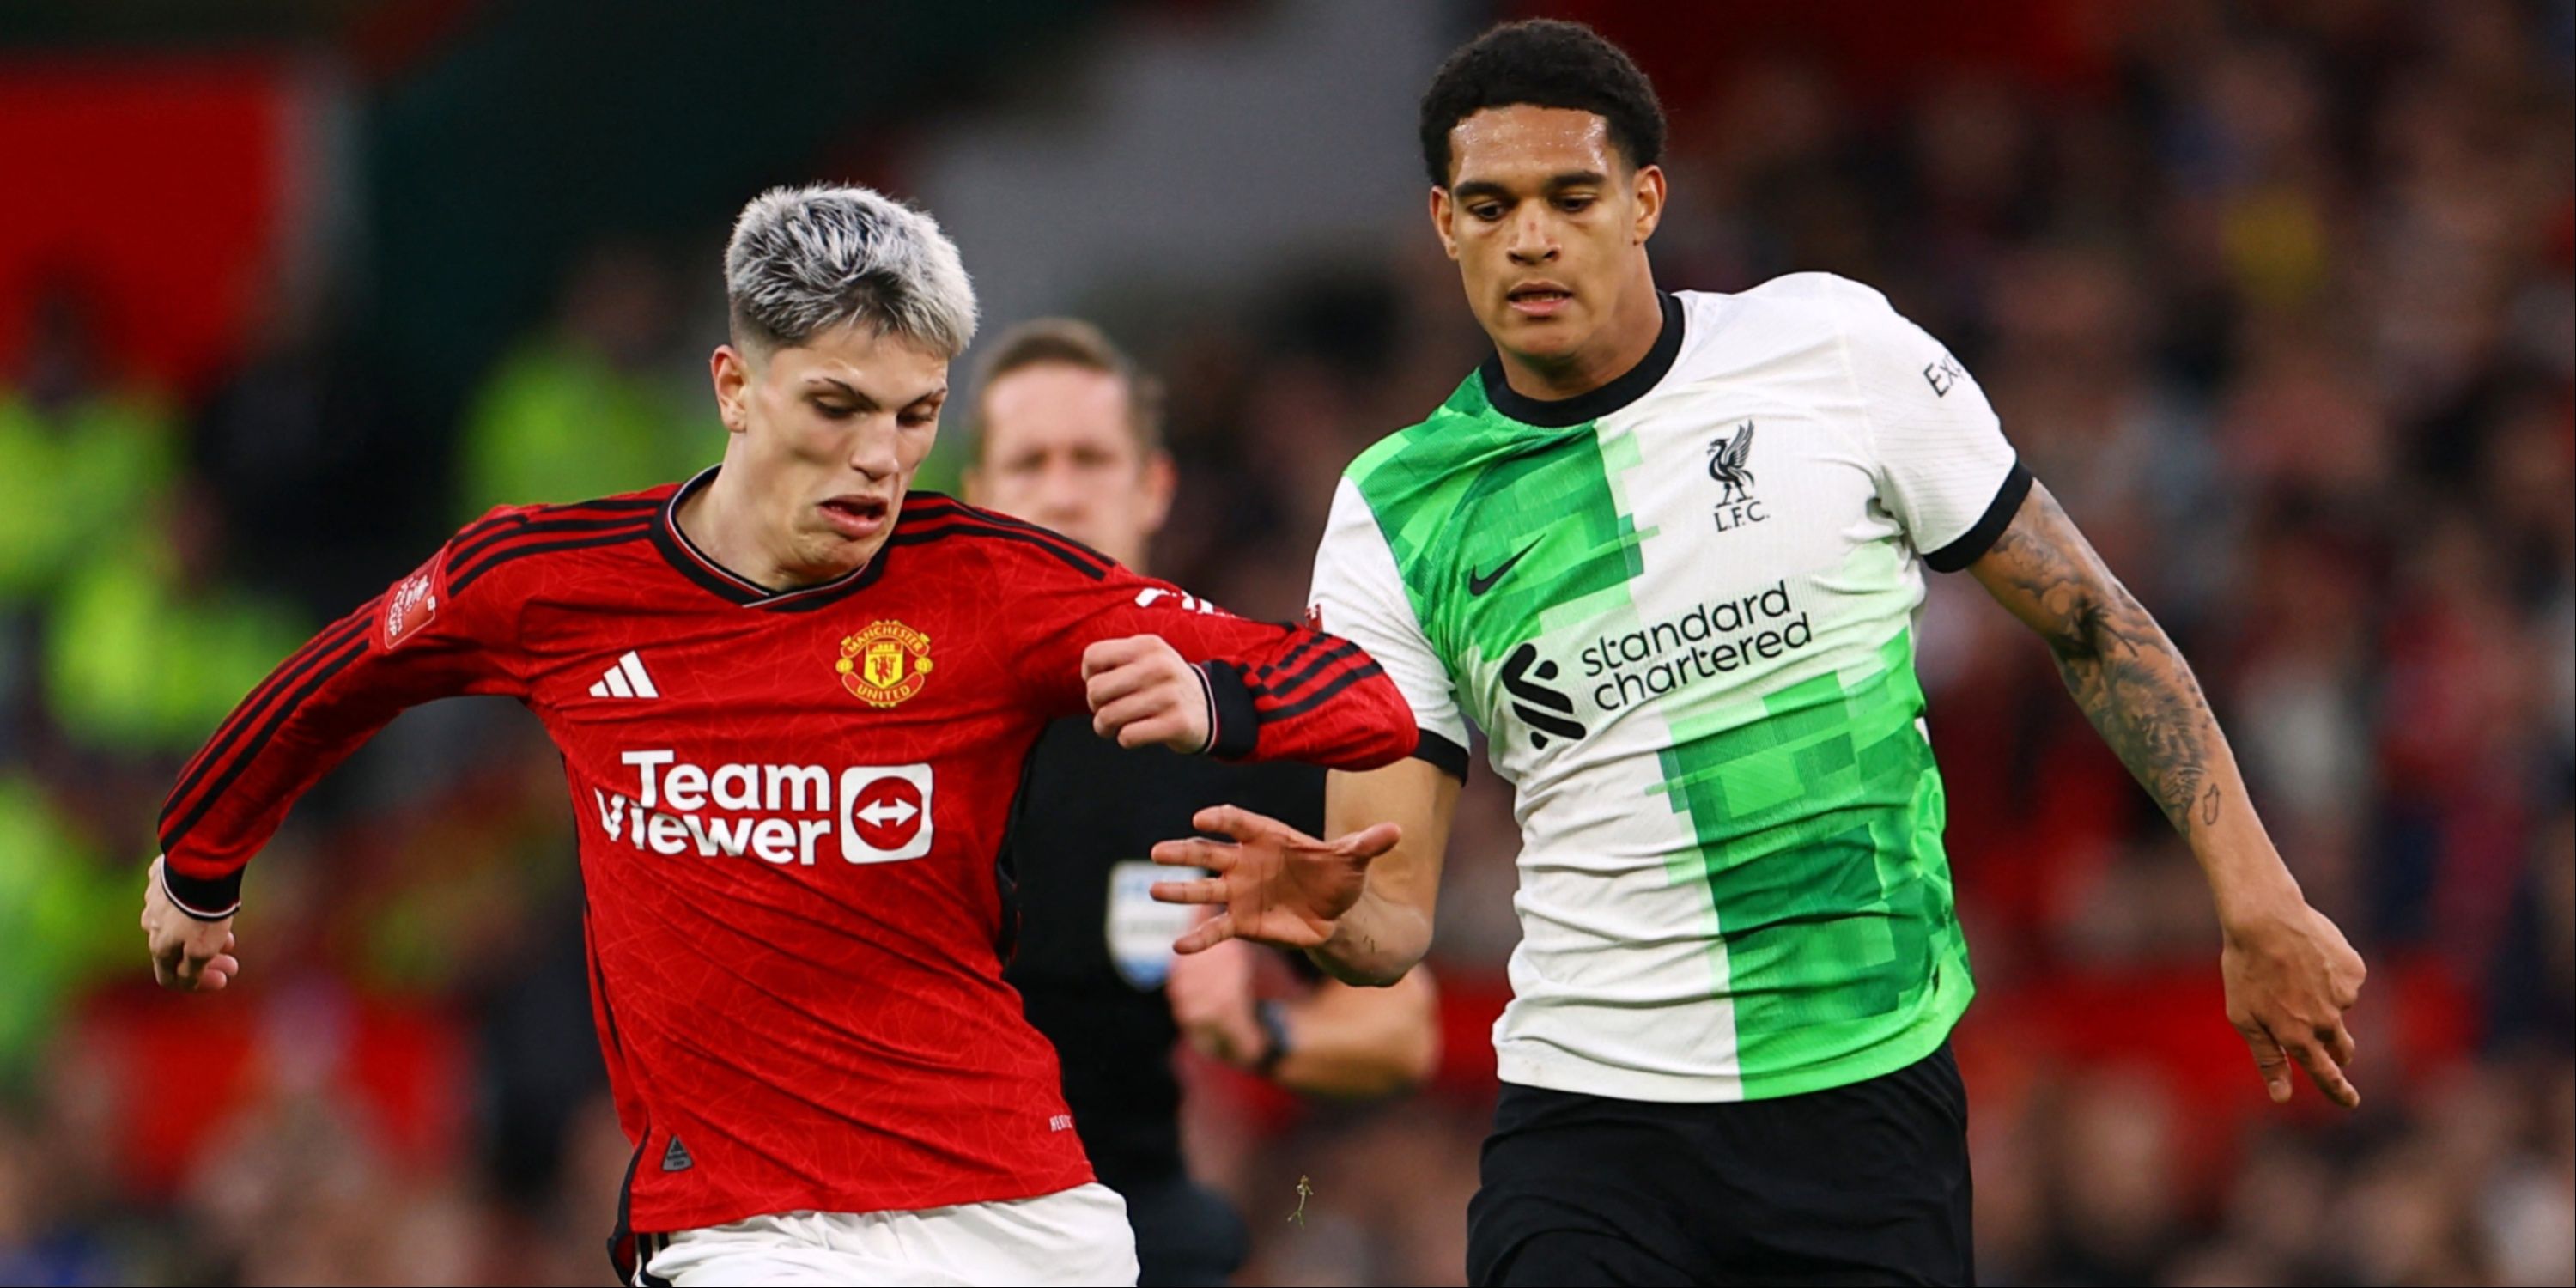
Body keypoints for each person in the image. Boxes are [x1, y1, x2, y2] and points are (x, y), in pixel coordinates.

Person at [1149, 21, 2370, 1287]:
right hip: (1592, 1120)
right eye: (1491, 204)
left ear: (1646, 201)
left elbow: (2092, 621)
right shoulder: (1394, 512)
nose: (1531, 237)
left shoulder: (1832, 354)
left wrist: (2257, 894)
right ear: (1443, 224)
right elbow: (1391, 913)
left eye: (1572, 196)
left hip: (1864, 1099)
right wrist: (1333, 919)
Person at [136, 184, 1424, 1288]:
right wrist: (201, 865)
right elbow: (338, 677)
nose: (880, 459)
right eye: (839, 407)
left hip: (1022, 1212)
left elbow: (1361, 695)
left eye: (916, 416)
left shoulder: (993, 582)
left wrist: (1222, 704)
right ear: (734, 386)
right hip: (748, 1224)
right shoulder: (545, 578)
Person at [963, 319, 1441, 1286]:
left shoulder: (1232, 722)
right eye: (1028, 464)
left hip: (1129, 1217)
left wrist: (1258, 1033)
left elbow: (1404, 1026)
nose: (1060, 491)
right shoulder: (892, 717)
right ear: (975, 499)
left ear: (1155, 489)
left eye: (1091, 459)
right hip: (912, 1217)